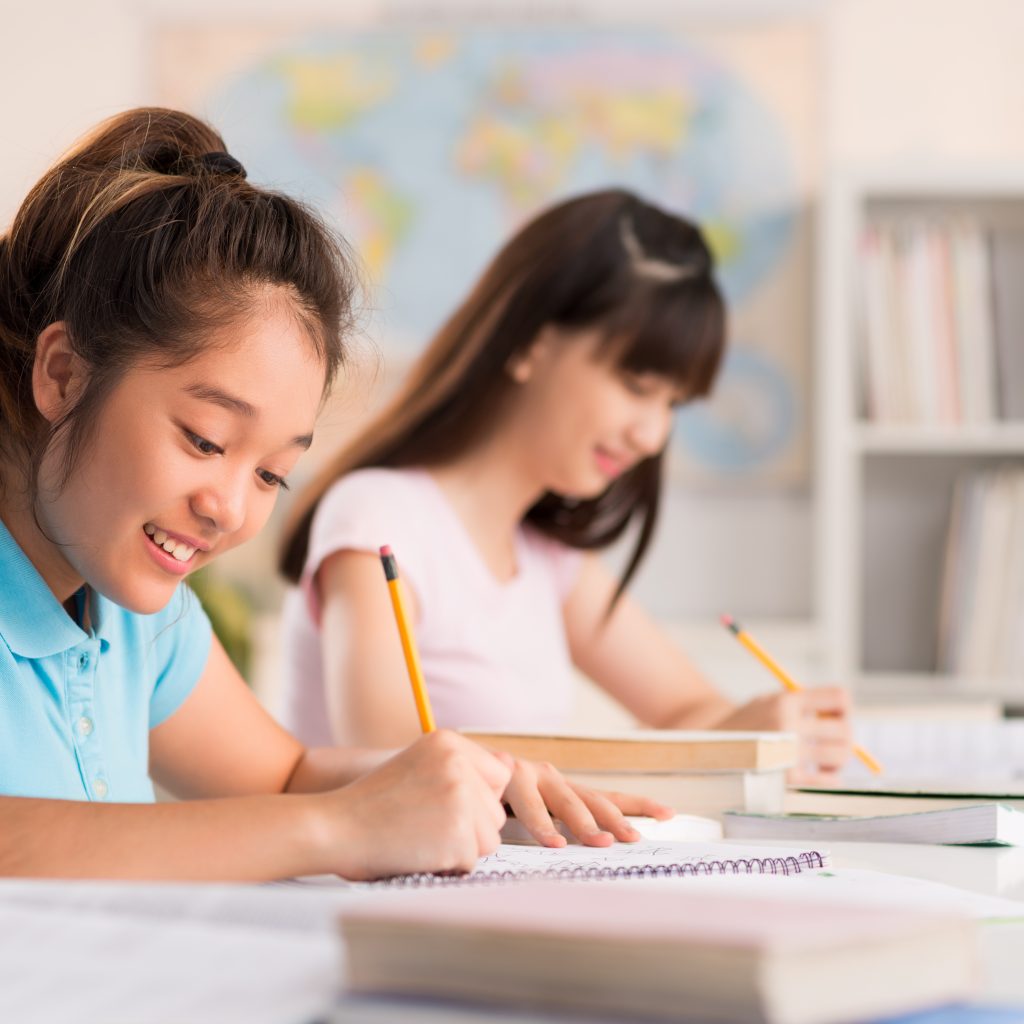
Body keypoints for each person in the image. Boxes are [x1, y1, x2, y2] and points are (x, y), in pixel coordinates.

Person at [0, 111, 665, 882]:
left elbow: (281, 776)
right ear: (63, 374)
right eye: (206, 440)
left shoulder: (134, 612)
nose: (229, 509)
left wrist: (473, 781)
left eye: (271, 474)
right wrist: (337, 826)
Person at [278, 189, 854, 782]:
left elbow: (686, 710)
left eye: (673, 403)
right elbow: (389, 771)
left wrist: (767, 723)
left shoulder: (546, 560)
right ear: (532, 342)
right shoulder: (377, 520)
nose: (652, 435)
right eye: (636, 384)